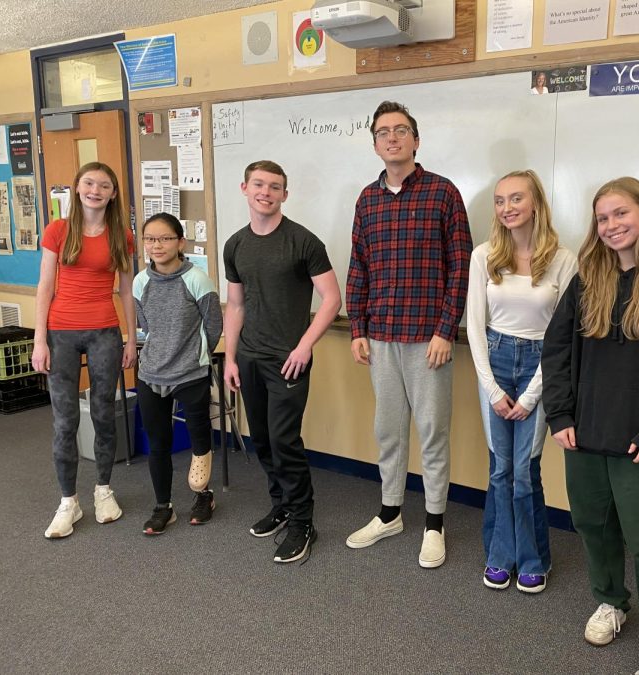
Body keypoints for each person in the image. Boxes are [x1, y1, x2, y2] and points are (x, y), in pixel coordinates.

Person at [541, 177, 639, 675]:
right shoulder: (589, 278)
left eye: (620, 214)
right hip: (584, 435)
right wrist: (561, 415)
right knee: (593, 526)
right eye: (602, 218)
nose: (610, 226)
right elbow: (557, 350)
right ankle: (611, 601)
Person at [345, 100, 472, 568]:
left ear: (416, 140)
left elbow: (460, 269)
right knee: (388, 431)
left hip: (428, 341)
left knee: (432, 432)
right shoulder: (367, 199)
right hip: (381, 338)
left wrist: (446, 330)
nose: (392, 138)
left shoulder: (443, 194)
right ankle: (391, 512)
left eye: (401, 130)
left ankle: (434, 523)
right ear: (375, 144)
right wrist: (358, 328)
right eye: (383, 132)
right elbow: (359, 266)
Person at [223, 160, 341, 564]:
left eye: (275, 187)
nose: (266, 192)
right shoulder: (236, 244)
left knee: (284, 441)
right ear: (244, 188)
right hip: (250, 358)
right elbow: (236, 305)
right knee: (262, 441)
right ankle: (283, 503)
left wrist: (304, 346)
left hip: (289, 360)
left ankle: (304, 521)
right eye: (259, 184)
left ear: (285, 195)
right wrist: (231, 358)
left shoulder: (304, 242)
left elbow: (331, 299)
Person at [466, 170, 576, 593]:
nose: (507, 207)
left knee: (525, 471)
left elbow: (562, 336)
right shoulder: (484, 256)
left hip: (539, 365)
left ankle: (533, 559)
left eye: (516, 198)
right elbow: (475, 327)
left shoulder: (563, 260)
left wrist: (532, 395)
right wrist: (492, 390)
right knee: (499, 469)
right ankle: (499, 555)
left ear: (535, 204)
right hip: (494, 361)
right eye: (499, 200)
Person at [32, 162, 136, 539]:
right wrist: (38, 339)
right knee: (65, 421)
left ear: (112, 194)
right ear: (77, 188)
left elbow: (126, 290)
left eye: (104, 185)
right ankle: (68, 502)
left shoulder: (121, 236)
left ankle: (103, 490)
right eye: (89, 183)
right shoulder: (57, 231)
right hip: (60, 333)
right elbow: (45, 287)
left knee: (104, 414)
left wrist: (129, 339)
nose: (95, 190)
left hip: (105, 332)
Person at [133, 213, 223, 535]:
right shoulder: (140, 282)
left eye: (165, 238)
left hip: (190, 373)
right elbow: (147, 326)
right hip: (151, 373)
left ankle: (203, 496)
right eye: (150, 239)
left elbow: (213, 326)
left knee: (200, 438)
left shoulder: (197, 279)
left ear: (180, 242)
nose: (157, 245)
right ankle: (163, 507)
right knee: (158, 443)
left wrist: (196, 357)